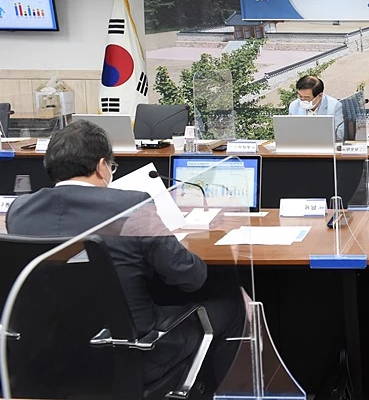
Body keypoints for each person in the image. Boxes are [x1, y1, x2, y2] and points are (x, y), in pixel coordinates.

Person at [6, 120, 245, 397]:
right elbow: (190, 277)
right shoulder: (130, 206)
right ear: (102, 166)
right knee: (232, 304)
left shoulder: (20, 210)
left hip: (43, 361)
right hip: (129, 358)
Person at [288, 75, 345, 140]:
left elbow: (339, 135)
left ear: (320, 95)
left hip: (324, 144)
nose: (303, 100)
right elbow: (290, 132)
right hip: (300, 144)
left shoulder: (334, 106)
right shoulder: (294, 106)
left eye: (307, 98)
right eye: (300, 96)